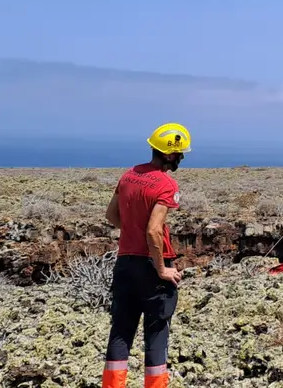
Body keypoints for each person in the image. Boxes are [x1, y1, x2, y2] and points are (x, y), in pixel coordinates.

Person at [101, 123, 191, 388]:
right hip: (151, 269)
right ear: (169, 154)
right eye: (179, 153)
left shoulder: (128, 176)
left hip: (124, 265)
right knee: (156, 335)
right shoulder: (166, 185)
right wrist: (162, 269)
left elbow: (111, 216)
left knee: (120, 332)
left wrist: (132, 230)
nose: (181, 158)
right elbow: (154, 231)